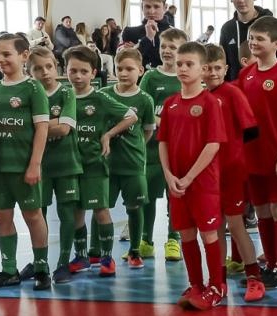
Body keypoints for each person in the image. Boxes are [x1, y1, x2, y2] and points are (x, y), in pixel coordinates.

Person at [0, 32, 51, 292]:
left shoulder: (32, 88)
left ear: (24, 55)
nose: (0, 59)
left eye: (6, 54)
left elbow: (42, 129)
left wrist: (34, 165)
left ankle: (41, 267)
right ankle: (9, 270)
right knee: (1, 215)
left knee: (33, 215)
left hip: (23, 166)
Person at [160, 42, 228, 310]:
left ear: (203, 69)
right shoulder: (171, 104)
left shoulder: (209, 103)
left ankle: (216, 286)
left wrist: (188, 177)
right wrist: (168, 174)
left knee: (208, 234)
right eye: (179, 64)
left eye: (189, 64)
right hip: (177, 183)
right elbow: (162, 141)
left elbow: (213, 144)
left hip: (202, 183)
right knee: (186, 234)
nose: (183, 68)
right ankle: (196, 284)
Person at [64, 46, 138, 278]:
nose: (77, 76)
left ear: (93, 73)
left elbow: (131, 116)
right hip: (69, 166)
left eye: (83, 71)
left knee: (101, 211)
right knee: (77, 212)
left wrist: (108, 134)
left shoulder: (100, 98)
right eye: (73, 70)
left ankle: (107, 257)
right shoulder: (62, 97)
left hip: (95, 164)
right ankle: (81, 256)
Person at [201, 43, 265, 301]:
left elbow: (251, 130)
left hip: (232, 172)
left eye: (218, 68)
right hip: (207, 175)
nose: (213, 73)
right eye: (208, 68)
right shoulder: (199, 97)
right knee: (215, 228)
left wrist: (232, 152)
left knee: (237, 226)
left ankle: (253, 277)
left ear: (226, 68)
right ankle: (219, 280)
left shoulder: (233, 93)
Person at [238, 16, 277, 287]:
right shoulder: (246, 74)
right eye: (251, 38)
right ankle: (271, 263)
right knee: (262, 212)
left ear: (276, 43)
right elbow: (243, 116)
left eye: (259, 38)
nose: (253, 42)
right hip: (253, 158)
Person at [27, 47, 84, 284]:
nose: (45, 72)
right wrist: (50, 123)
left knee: (66, 212)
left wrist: (36, 126)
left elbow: (64, 128)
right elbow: (46, 126)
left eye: (49, 66)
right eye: (38, 69)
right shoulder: (29, 94)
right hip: (38, 165)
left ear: (56, 67)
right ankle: (39, 261)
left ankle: (63, 262)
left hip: (66, 163)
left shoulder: (66, 94)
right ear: (29, 72)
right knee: (38, 213)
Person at [138, 27, 188, 260]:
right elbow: (142, 109)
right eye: (164, 46)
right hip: (151, 151)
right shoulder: (150, 77)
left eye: (173, 47)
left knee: (174, 197)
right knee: (147, 196)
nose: (167, 51)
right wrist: (161, 122)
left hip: (177, 151)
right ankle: (146, 240)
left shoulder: (185, 77)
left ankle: (173, 240)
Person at [107, 46, 155, 271]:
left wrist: (136, 148)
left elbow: (147, 130)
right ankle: (100, 252)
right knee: (101, 208)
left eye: (129, 69)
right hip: (106, 164)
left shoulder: (145, 99)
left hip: (133, 165)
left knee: (134, 207)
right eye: (119, 68)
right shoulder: (105, 94)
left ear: (141, 70)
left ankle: (135, 250)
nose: (124, 73)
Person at [220, 0, 272, 81]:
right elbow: (223, 63)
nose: (241, 0)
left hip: (265, 86)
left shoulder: (270, 24)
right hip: (235, 88)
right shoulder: (227, 28)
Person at [123, 0, 174, 69]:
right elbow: (124, 62)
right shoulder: (130, 32)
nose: (151, 11)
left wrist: (136, 48)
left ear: (165, 7)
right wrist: (147, 39)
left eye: (156, 6)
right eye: (147, 6)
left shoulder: (175, 34)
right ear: (142, 7)